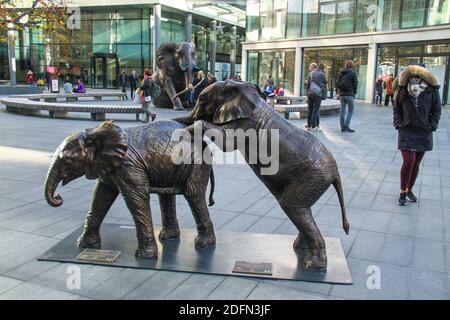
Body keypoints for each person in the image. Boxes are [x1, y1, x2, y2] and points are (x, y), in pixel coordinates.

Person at [393, 65, 441, 206]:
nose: (415, 79)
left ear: (423, 76)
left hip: (423, 131)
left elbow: (436, 110)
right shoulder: (402, 90)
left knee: (416, 163)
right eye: (412, 76)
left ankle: (409, 189)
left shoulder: (432, 90)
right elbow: (396, 109)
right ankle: (402, 191)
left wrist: (432, 125)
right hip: (406, 130)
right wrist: (398, 123)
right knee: (409, 161)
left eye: (417, 76)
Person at [337, 60, 358, 132]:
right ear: (352, 66)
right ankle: (346, 125)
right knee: (350, 111)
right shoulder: (353, 73)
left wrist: (339, 93)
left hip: (342, 95)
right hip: (350, 94)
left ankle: (342, 126)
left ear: (345, 65)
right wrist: (354, 93)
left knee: (342, 111)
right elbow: (355, 84)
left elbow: (338, 83)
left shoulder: (340, 73)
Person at [306, 63, 327, 131]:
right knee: (315, 110)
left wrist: (307, 94)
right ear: (323, 68)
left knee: (310, 110)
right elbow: (325, 82)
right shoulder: (322, 74)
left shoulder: (311, 73)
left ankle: (309, 126)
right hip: (317, 94)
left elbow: (308, 84)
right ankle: (314, 126)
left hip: (310, 93)